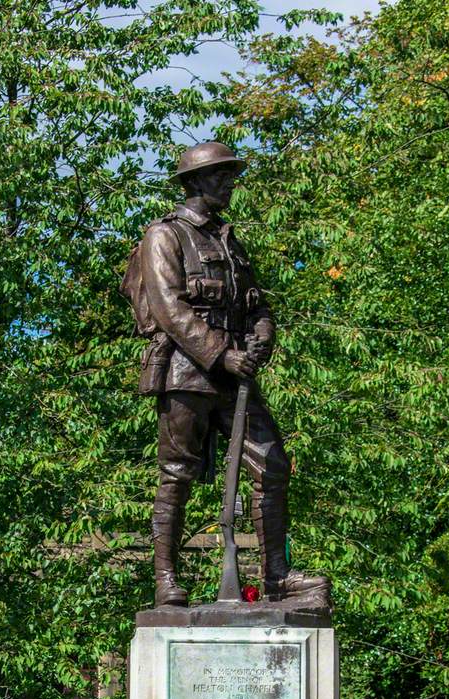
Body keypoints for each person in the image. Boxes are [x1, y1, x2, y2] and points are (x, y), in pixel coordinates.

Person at [125, 141, 330, 608]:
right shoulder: (166, 235)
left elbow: (257, 304)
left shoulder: (227, 239)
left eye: (230, 175)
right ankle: (165, 578)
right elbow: (170, 309)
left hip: (236, 376)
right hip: (186, 372)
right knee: (176, 473)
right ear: (194, 182)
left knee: (273, 463)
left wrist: (262, 336)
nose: (229, 184)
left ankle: (275, 576)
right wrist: (221, 354)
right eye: (220, 176)